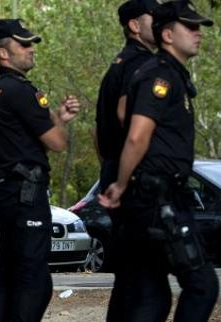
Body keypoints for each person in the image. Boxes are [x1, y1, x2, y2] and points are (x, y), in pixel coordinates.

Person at [99, 1, 219, 321]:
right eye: (190, 27)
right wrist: (121, 184)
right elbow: (137, 134)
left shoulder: (160, 72)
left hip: (154, 198)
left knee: (149, 296)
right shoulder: (159, 75)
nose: (197, 34)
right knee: (202, 284)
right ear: (167, 34)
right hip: (157, 200)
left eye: (198, 27)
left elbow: (122, 116)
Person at [0, 19, 80, 322]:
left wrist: (56, 117)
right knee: (35, 283)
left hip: (9, 192)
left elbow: (29, 145)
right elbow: (57, 142)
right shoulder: (21, 91)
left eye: (31, 42)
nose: (31, 48)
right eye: (23, 44)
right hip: (26, 196)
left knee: (9, 280)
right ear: (3, 54)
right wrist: (60, 123)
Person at [96, 0, 158, 193]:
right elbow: (125, 113)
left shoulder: (120, 63)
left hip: (116, 170)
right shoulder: (142, 62)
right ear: (135, 25)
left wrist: (111, 168)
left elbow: (98, 132)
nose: (162, 22)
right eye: (155, 16)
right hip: (137, 177)